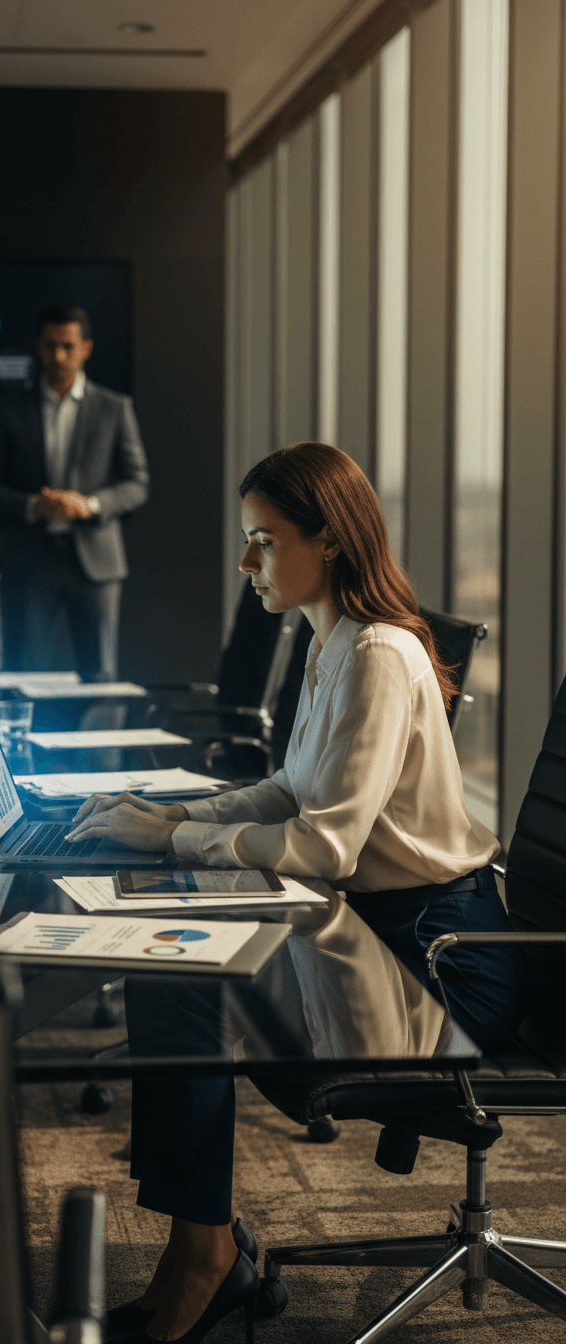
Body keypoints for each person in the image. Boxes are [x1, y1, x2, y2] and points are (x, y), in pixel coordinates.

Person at [65, 442, 525, 1344]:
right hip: (375, 936)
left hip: (441, 968)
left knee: (193, 982)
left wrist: (175, 836)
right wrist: (166, 815)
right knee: (168, 959)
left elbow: (326, 843)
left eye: (264, 542)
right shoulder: (333, 641)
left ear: (331, 542)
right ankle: (195, 1245)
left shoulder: (379, 656)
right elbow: (290, 789)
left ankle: (206, 1260)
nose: (248, 564)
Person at [0, 303, 150, 679]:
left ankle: (103, 742)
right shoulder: (10, 410)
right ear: (39, 347)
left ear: (85, 348)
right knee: (22, 675)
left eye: (68, 346)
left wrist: (88, 505)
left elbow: (137, 484)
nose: (59, 356)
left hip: (97, 563)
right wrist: (33, 505)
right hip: (30, 561)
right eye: (50, 346)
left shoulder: (114, 408)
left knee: (101, 676)